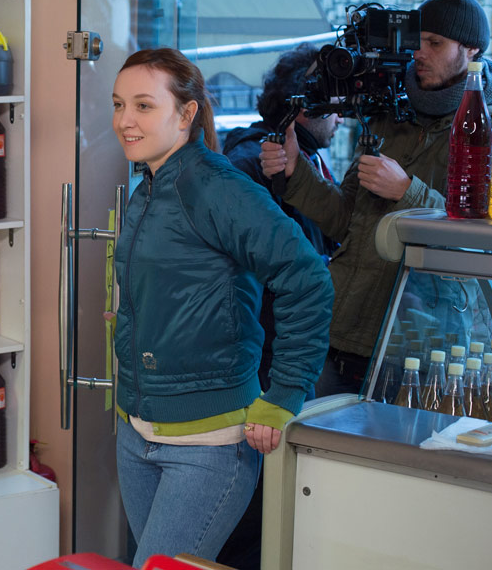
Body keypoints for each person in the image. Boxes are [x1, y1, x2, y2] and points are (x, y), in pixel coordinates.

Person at [111, 48, 333, 567]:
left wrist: (284, 395)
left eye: (143, 105)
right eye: (119, 104)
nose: (124, 120)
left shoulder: (217, 186)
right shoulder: (149, 186)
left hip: (207, 443)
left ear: (186, 114)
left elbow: (307, 278)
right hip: (137, 431)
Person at [260, 0, 492, 396]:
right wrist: (296, 171)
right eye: (417, 41)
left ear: (472, 51)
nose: (420, 53)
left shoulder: (490, 127)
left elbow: (484, 241)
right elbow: (347, 219)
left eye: (435, 43)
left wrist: (407, 192)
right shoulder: (390, 113)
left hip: (422, 345)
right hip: (341, 329)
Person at [224, 43, 341, 391]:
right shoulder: (253, 162)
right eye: (335, 108)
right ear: (306, 105)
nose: (341, 118)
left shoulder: (305, 157)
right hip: (272, 353)